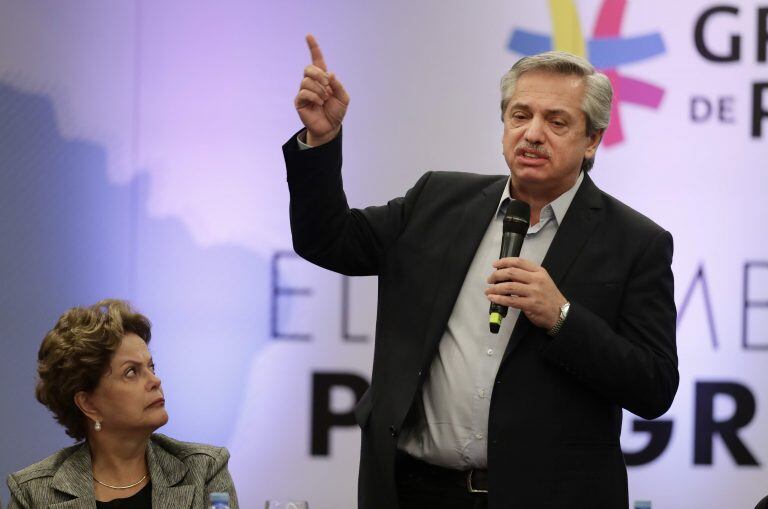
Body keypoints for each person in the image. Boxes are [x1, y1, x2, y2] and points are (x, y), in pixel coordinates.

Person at [284, 35, 678, 509]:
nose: (533, 133)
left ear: (592, 139)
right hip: (414, 492)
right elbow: (326, 239)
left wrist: (563, 317)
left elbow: (654, 386)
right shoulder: (436, 201)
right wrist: (321, 142)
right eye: (520, 115)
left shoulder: (635, 242)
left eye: (557, 122)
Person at [6, 299, 239, 508]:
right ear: (89, 404)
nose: (155, 381)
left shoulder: (204, 471)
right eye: (131, 372)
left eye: (151, 367)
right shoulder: (34, 495)